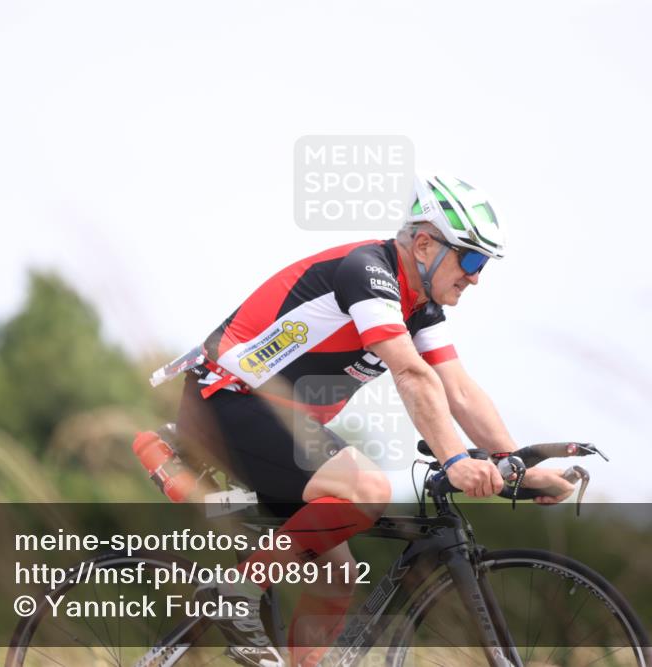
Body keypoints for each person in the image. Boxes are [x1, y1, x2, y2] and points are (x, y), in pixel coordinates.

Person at [175, 173, 575, 667]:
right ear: (424, 244)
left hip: (269, 420)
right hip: (223, 401)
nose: (475, 276)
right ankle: (232, 594)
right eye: (471, 259)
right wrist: (453, 459)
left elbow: (460, 390)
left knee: (337, 575)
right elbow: (412, 373)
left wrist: (514, 464)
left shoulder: (418, 304)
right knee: (367, 487)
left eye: (483, 264)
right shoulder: (367, 273)